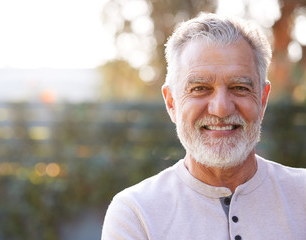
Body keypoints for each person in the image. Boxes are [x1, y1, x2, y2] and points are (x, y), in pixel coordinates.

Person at [101, 13, 306, 240]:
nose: (221, 109)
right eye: (200, 88)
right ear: (171, 103)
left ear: (263, 100)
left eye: (239, 87)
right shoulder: (136, 214)